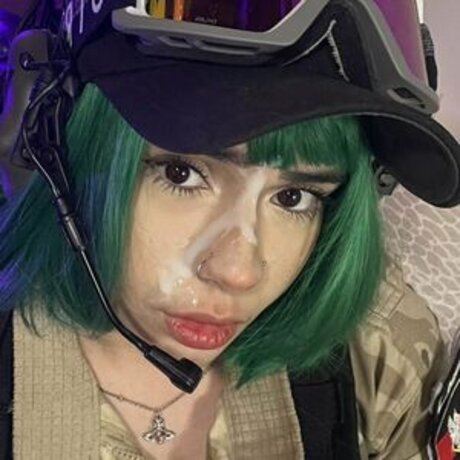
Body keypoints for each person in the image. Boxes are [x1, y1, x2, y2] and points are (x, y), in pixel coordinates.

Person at [0, 1, 458, 459]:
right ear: (51, 144)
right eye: (182, 174)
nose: (239, 273)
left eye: (294, 197)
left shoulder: (378, 353)